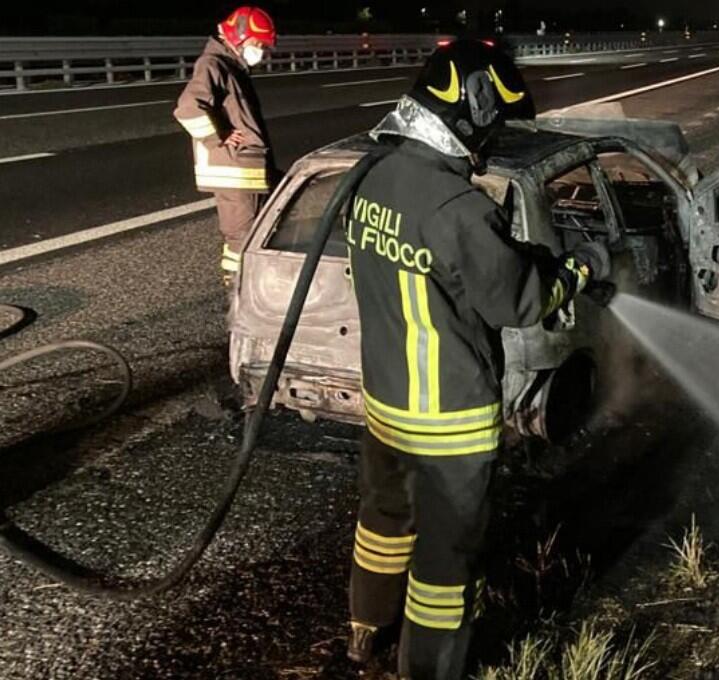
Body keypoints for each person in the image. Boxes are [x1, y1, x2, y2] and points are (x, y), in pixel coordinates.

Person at [344, 39, 610, 679]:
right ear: (469, 112)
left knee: (383, 519)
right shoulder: (459, 210)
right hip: (449, 419)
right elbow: (519, 301)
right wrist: (577, 268)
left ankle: (364, 629)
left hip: (386, 401)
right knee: (445, 557)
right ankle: (429, 670)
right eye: (491, 124)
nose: (489, 140)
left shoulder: (370, 178)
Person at [173, 6, 278, 282]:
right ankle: (238, 297)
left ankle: (251, 289)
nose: (261, 52)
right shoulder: (213, 65)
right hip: (233, 173)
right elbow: (188, 108)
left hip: (246, 171)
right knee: (241, 240)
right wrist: (218, 136)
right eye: (257, 44)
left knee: (257, 233)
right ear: (239, 36)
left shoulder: (232, 67)